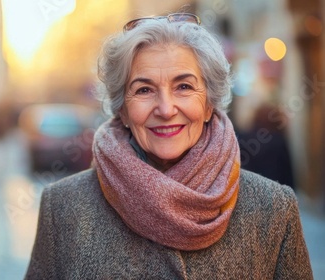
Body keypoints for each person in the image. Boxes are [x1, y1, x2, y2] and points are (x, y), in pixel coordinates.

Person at [25, 13, 312, 279]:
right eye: (144, 90)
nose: (165, 108)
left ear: (209, 103)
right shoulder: (63, 207)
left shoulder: (273, 208)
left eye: (184, 87)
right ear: (122, 110)